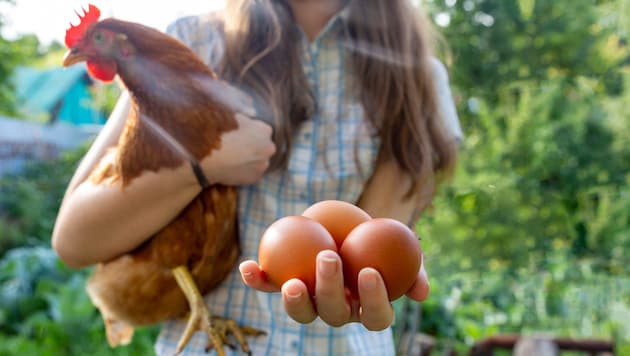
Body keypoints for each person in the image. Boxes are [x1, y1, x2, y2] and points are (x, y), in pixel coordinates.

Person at [52, 0, 463, 354]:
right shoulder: (194, 43)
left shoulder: (418, 77)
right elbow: (73, 241)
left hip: (350, 345)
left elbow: (368, 242)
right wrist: (201, 166)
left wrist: (378, 268)